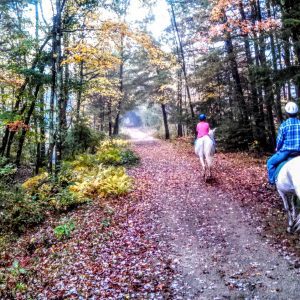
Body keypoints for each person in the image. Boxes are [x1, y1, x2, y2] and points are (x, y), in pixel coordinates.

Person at [267, 101, 300, 187]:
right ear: (297, 112)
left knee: (270, 163)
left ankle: (272, 182)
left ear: (287, 113)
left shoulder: (284, 125)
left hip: (286, 152)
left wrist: (277, 148)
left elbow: (279, 141)